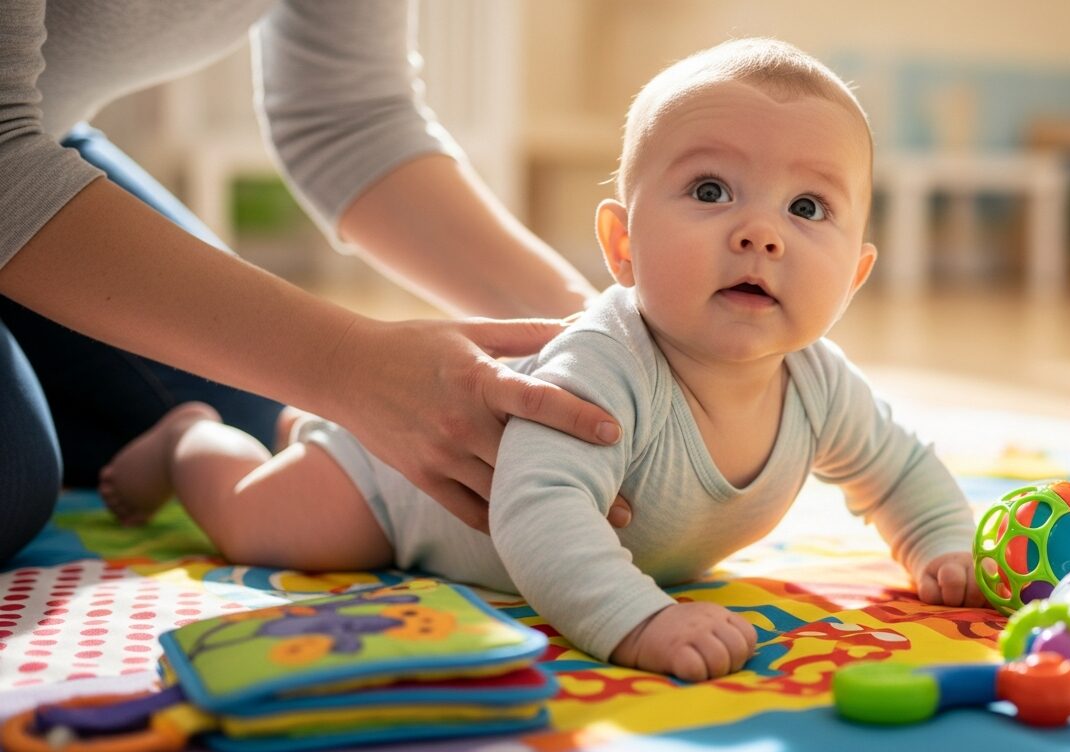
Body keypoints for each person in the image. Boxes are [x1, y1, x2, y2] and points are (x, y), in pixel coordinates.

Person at [98, 38, 985, 683]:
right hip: (399, 485)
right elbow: (538, 509)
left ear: (859, 271)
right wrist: (635, 618)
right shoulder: (608, 364)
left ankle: (292, 425)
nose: (759, 231)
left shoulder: (820, 384)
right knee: (269, 528)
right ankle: (192, 440)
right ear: (622, 241)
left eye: (808, 207)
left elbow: (895, 464)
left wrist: (937, 541)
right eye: (710, 191)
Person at [0, 1, 632, 566]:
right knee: (15, 479)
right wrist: (345, 364)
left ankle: (143, 417)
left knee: (251, 419)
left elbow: (352, 118)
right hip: (12, 151)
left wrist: (600, 328)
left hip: (40, 134)